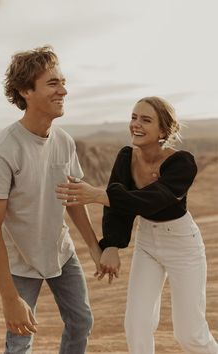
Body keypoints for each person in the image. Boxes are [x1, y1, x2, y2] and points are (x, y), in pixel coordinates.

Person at [56, 96, 218, 354]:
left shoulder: (182, 163)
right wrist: (111, 245)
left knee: (190, 334)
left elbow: (152, 201)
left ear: (163, 130)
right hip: (147, 243)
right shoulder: (126, 156)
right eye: (133, 117)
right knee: (136, 325)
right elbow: (119, 209)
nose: (136, 124)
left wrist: (98, 194)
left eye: (145, 120)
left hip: (183, 245)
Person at [0, 45, 104, 354]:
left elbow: (73, 198)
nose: (63, 90)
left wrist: (93, 247)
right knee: (20, 340)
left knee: (81, 322)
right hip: (20, 261)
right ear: (25, 91)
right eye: (53, 83)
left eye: (62, 82)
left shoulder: (63, 140)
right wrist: (10, 299)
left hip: (60, 253)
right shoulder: (2, 152)